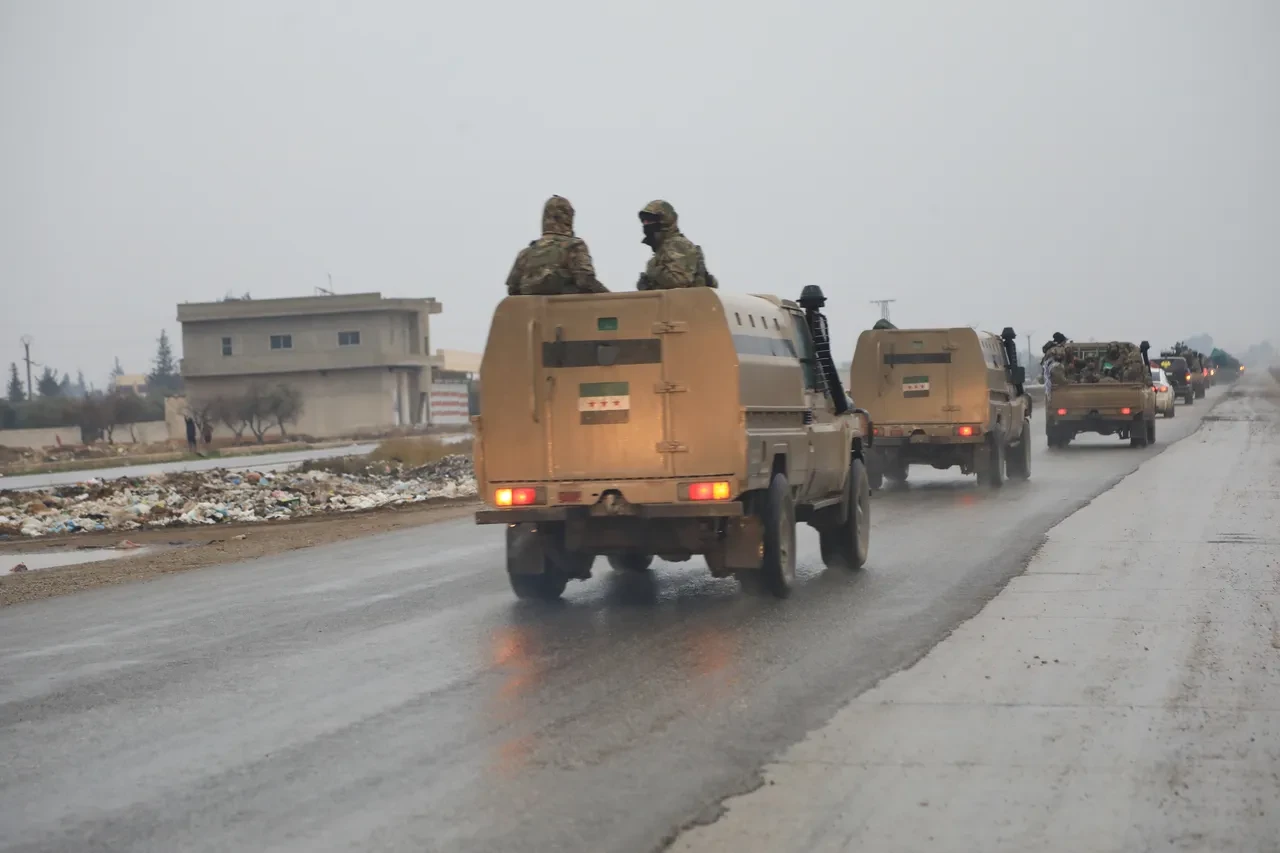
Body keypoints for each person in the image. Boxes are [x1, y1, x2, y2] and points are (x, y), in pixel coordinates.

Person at [504, 196, 608, 295]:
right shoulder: (574, 246)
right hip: (567, 311)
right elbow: (586, 280)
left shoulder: (525, 253)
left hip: (532, 311)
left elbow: (513, 289)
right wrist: (612, 298)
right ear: (568, 218)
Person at [635, 200, 718, 290]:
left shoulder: (676, 244)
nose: (646, 224)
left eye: (650, 220)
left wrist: (653, 270)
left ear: (665, 220)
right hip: (676, 302)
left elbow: (679, 281)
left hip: (685, 302)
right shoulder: (665, 247)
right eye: (644, 221)